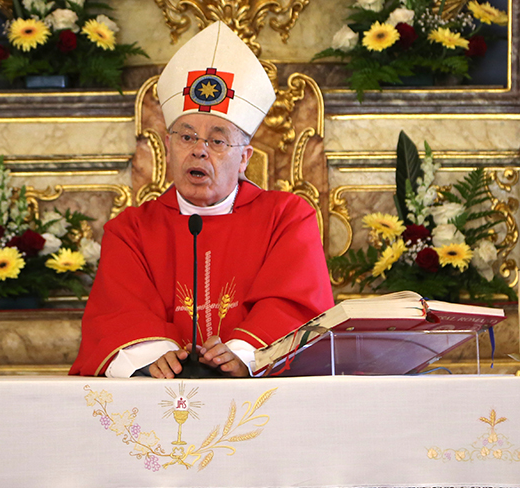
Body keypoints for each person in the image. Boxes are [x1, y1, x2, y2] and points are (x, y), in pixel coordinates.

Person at [69, 21, 334, 378]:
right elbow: (117, 312)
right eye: (186, 136)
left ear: (244, 158)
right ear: (167, 146)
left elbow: (295, 304)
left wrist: (244, 353)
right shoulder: (130, 229)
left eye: (218, 140)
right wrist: (154, 354)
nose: (199, 151)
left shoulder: (286, 217)